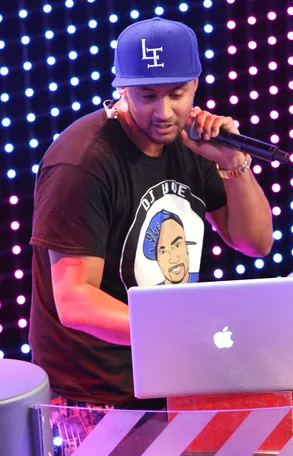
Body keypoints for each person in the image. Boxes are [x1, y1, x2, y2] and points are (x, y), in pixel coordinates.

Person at [29, 17, 273, 413]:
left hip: (168, 371)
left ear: (195, 84)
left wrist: (232, 162)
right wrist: (184, 333)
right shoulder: (81, 163)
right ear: (121, 89)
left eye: (177, 94)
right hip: (93, 396)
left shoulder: (192, 145)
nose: (164, 112)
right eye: (146, 96)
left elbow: (255, 243)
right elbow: (75, 300)